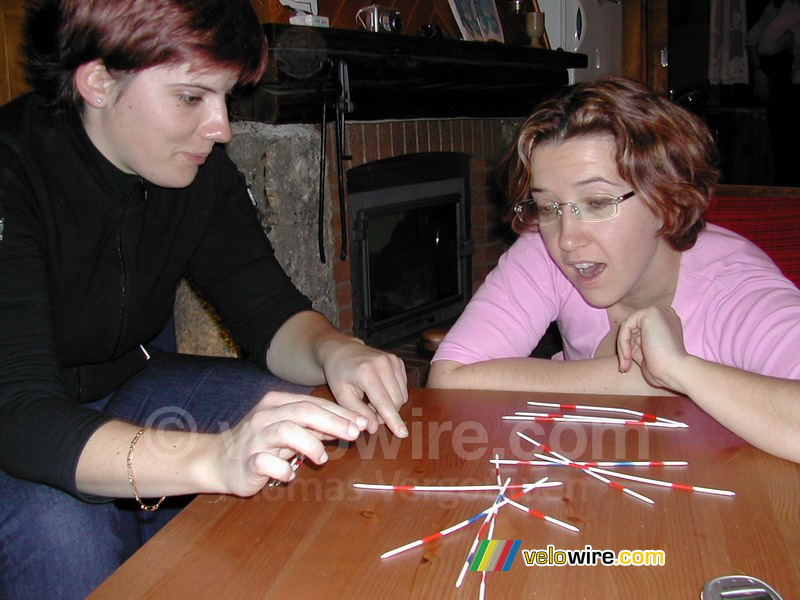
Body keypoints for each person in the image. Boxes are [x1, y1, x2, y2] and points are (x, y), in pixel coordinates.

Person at [0, 0, 408, 597]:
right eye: (192, 97)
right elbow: (20, 415)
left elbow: (269, 315)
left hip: (128, 384)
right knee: (69, 530)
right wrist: (213, 459)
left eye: (225, 97)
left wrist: (335, 350)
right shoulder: (14, 172)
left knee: (307, 424)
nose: (222, 128)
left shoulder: (195, 171)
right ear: (97, 80)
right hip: (20, 422)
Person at [428, 77, 800, 463]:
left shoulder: (734, 288)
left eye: (597, 202)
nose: (567, 239)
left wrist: (680, 372)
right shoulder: (544, 246)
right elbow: (450, 381)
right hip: (586, 479)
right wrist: (644, 380)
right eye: (549, 206)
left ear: (667, 201)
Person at [746, 0, 800, 186]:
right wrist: (758, 70)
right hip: (782, 85)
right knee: (785, 147)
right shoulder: (780, 9)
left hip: (788, 82)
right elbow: (755, 42)